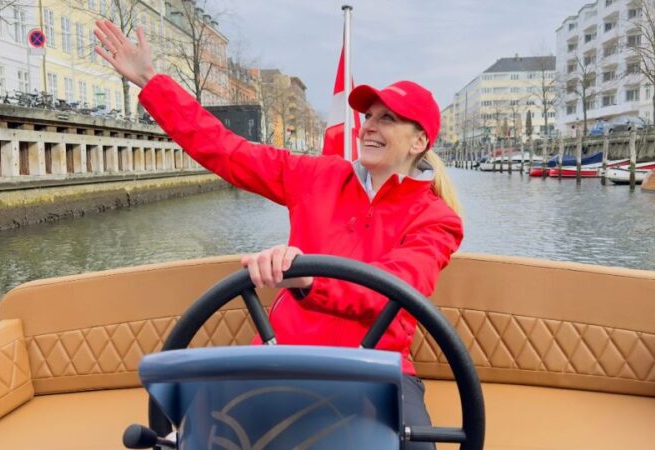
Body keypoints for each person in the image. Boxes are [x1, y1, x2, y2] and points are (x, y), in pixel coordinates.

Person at [93, 20, 462, 450]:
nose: (369, 126)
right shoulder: (318, 177)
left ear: (419, 140)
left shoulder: (436, 218)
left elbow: (399, 289)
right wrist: (151, 82)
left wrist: (309, 279)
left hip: (379, 368)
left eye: (388, 119)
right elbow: (226, 150)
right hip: (281, 357)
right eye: (368, 117)